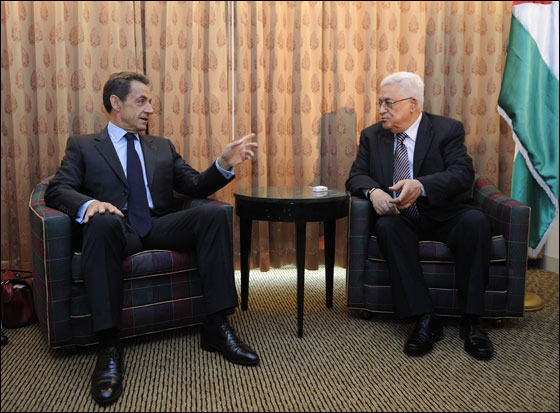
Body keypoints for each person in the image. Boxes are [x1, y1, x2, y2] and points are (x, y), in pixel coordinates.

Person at [45, 72, 260, 405]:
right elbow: (58, 189)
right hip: (116, 229)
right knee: (101, 223)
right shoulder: (84, 146)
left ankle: (216, 326)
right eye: (141, 101)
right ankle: (109, 346)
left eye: (150, 101)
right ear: (116, 103)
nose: (150, 109)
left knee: (214, 213)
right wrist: (90, 205)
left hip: (159, 225)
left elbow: (193, 186)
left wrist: (223, 164)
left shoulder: (161, 146)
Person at [346, 72, 494, 360]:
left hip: (445, 213)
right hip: (400, 215)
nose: (381, 110)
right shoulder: (372, 136)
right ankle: (425, 318)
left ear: (412, 104)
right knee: (387, 228)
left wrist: (421, 186)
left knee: (476, 223)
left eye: (388, 103)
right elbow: (356, 176)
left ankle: (473, 321)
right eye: (379, 103)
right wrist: (374, 192)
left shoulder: (447, 130)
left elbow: (463, 173)